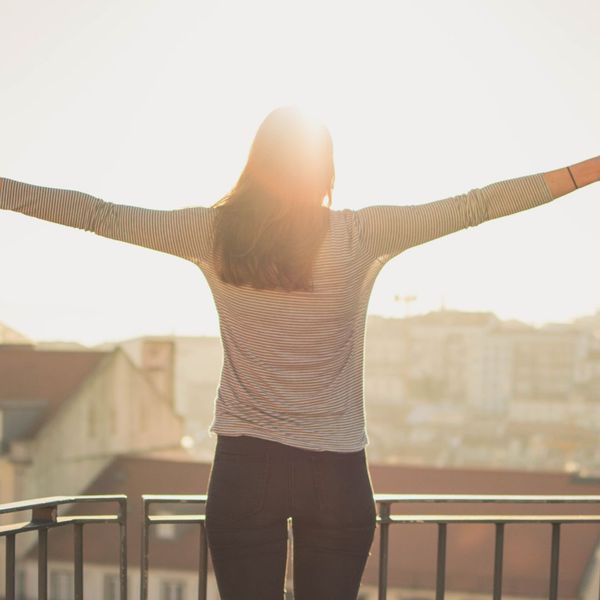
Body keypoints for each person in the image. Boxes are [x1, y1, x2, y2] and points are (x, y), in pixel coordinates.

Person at [1, 106, 598, 599]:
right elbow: (476, 205)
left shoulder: (213, 233)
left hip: (246, 468)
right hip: (336, 474)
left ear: (256, 163)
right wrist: (584, 171)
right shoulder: (360, 234)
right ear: (325, 168)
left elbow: (97, 215)